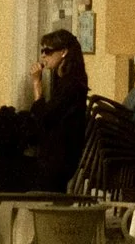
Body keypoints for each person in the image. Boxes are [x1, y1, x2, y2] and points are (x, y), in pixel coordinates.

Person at [27, 29, 89, 192]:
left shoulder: (70, 85)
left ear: (63, 52)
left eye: (47, 51)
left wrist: (37, 85)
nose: (43, 56)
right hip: (58, 152)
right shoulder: (65, 80)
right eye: (42, 51)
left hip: (59, 158)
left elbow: (45, 117)